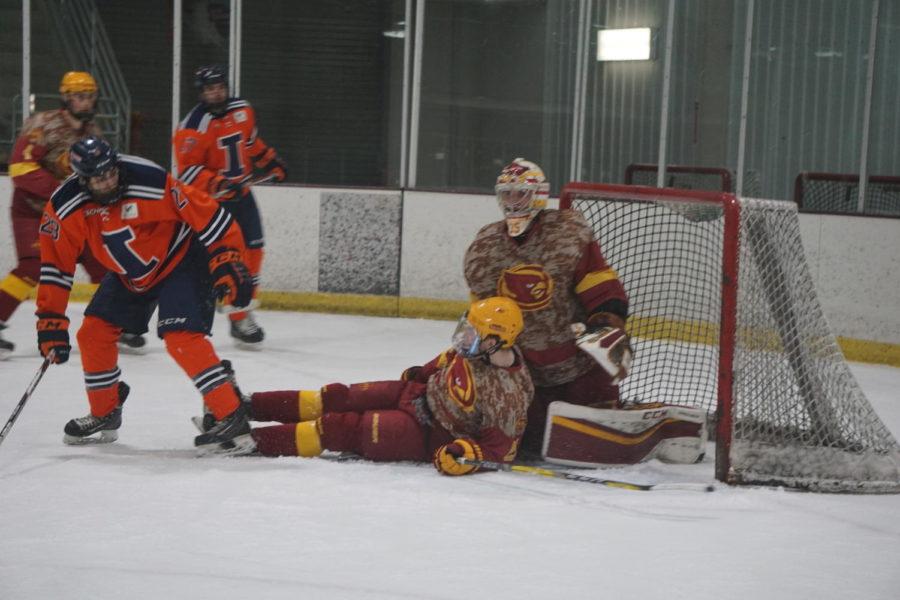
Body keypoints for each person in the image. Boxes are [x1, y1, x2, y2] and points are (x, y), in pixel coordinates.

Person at [37, 136, 256, 455]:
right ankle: (105, 412)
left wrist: (226, 257)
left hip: (183, 256)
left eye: (111, 171)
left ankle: (230, 416)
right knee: (93, 334)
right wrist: (50, 320)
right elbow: (55, 268)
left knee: (181, 337)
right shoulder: (64, 208)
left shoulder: (148, 179)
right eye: (99, 178)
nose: (110, 180)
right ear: (82, 180)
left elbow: (208, 213)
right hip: (131, 273)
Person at [245, 297, 534, 475]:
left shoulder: (508, 396)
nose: (464, 337)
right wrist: (422, 373)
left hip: (430, 431)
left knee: (339, 427)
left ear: (495, 341)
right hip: (415, 394)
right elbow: (446, 359)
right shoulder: (477, 350)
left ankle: (250, 442)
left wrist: (467, 455)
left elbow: (502, 451)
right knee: (336, 396)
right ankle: (248, 405)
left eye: (473, 333)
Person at [464, 158, 633, 455]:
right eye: (507, 193)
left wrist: (607, 321)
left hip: (577, 365)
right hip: (524, 372)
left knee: (595, 443)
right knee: (529, 442)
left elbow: (598, 283)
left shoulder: (567, 234)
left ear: (539, 194)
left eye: (521, 193)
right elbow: (483, 313)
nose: (513, 201)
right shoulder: (485, 247)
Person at [0, 71, 145, 358]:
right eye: (80, 96)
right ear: (66, 97)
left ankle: (118, 321)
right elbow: (21, 169)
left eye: (90, 95)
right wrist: (62, 192)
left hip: (78, 215)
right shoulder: (43, 124)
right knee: (33, 266)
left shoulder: (93, 133)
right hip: (34, 212)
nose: (86, 101)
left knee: (104, 265)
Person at [172, 65, 287, 348]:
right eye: (210, 89)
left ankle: (241, 314)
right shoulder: (191, 128)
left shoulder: (243, 110)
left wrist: (270, 160)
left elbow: (249, 143)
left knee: (254, 250)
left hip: (242, 197)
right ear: (201, 93)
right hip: (210, 204)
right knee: (212, 261)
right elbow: (187, 173)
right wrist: (220, 184)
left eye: (220, 86)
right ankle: (189, 316)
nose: (217, 92)